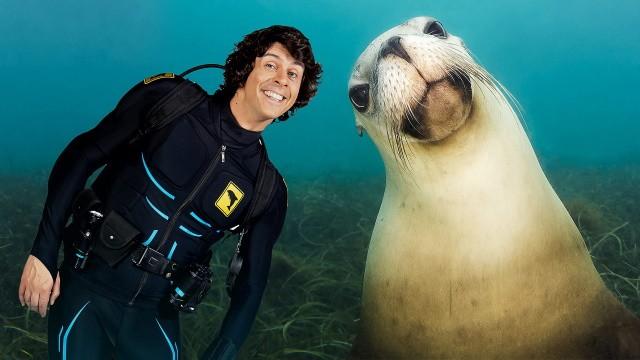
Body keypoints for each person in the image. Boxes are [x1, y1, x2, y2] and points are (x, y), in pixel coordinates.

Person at [17, 25, 322, 359]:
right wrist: (43, 254)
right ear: (245, 66)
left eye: (294, 74)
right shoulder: (169, 99)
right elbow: (82, 155)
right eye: (271, 64)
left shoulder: (267, 189)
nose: (282, 79)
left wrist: (221, 354)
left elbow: (250, 285)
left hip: (155, 321)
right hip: (86, 290)